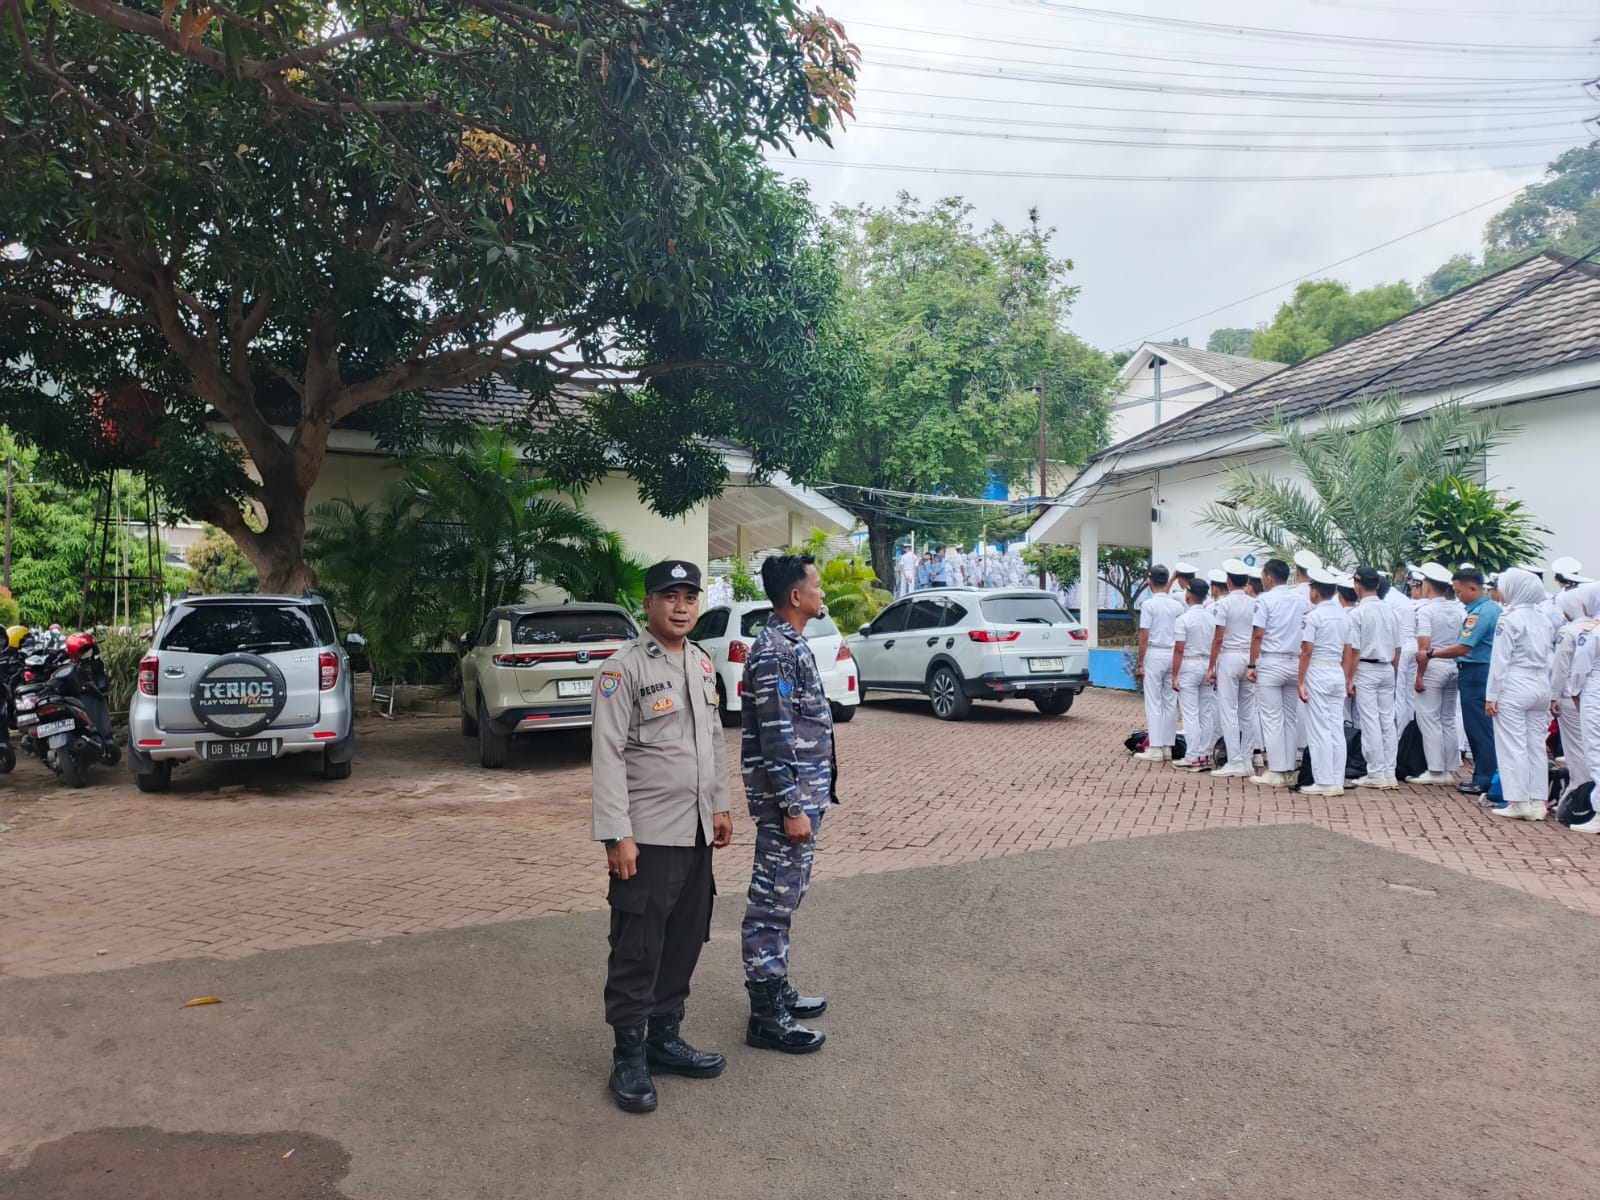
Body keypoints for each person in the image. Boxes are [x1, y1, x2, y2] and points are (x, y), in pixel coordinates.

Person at [591, 560, 734, 1114]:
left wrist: (720, 804)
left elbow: (714, 738)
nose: (681, 607)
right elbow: (607, 755)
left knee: (684, 939)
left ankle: (664, 1039)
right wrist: (616, 834)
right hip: (647, 836)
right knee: (638, 946)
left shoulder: (701, 661)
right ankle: (628, 1055)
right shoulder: (622, 668)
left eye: (689, 597)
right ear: (648, 604)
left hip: (696, 831)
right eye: (669, 596)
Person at [740, 553, 834, 1054]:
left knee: (786, 896)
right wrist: (792, 807)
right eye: (816, 585)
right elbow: (776, 737)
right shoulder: (775, 652)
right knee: (770, 906)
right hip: (788, 804)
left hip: (803, 797)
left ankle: (776, 988)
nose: (822, 593)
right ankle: (765, 1017)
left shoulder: (789, 644)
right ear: (796, 596)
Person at [1423, 567, 1501, 796]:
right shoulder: (1488, 608)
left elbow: (1465, 646)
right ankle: (1487, 775)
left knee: (1478, 728)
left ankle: (1484, 778)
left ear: (1473, 588)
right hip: (1479, 671)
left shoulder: (1481, 612)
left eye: (1459, 591)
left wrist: (1431, 653)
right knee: (1479, 727)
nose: (1457, 596)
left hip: (1476, 672)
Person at [1485, 568, 1554, 821]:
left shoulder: (1508, 618)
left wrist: (1491, 695)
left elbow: (1500, 661)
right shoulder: (1543, 619)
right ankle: (1538, 802)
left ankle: (1519, 801)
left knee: (1512, 745)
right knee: (1535, 746)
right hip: (1540, 683)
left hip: (1515, 681)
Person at [1247, 558, 1310, 788]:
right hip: (1294, 661)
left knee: (1272, 718)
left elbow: (1258, 634)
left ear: (1268, 577)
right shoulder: (1300, 600)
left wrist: (1251, 664)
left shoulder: (1264, 600)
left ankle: (1276, 770)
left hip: (1271, 661)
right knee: (1289, 718)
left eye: (1262, 576)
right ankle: (1288, 770)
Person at [1344, 566, 1401, 790]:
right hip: (1387, 667)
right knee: (1387, 721)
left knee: (1370, 722)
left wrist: (1349, 679)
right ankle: (1389, 772)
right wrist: (1393, 670)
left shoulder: (1357, 614)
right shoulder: (1391, 612)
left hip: (1366, 668)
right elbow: (1397, 648)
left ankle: (1376, 773)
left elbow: (1355, 651)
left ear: (1357, 586)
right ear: (1377, 585)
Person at [1410, 563, 1466, 784]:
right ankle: (1449, 768)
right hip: (1453, 664)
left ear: (1428, 586)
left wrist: (1419, 676)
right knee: (1448, 718)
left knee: (1429, 718)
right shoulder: (1458, 610)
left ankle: (1435, 770)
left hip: (1434, 665)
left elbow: (1424, 647)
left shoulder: (1427, 611)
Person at [1298, 568, 1351, 796]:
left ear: (1315, 591)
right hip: (1336, 671)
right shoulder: (1344, 617)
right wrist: (1346, 679)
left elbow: (1306, 651)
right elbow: (1348, 652)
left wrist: (1300, 681)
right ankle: (1337, 780)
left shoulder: (1313, 617)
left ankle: (1324, 781)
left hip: (1318, 670)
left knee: (1319, 729)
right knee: (1336, 727)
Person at [1207, 559, 1257, 778]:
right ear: (1247, 581)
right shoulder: (1255, 603)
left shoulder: (1224, 604)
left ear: (1228, 581)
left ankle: (1234, 760)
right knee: (1248, 711)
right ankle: (1247, 759)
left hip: (1229, 655)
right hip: (1250, 656)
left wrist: (1211, 666)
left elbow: (1218, 638)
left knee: (1229, 710)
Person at [1134, 566, 1185, 762]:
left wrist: (1140, 663)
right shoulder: (1177, 606)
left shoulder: (1148, 605)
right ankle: (1167, 747)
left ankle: (1155, 747)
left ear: (1149, 582)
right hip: (1172, 653)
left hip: (1155, 653)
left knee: (1154, 702)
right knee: (1170, 703)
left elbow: (1144, 635)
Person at [1561, 583, 1600, 834]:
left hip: (1594, 689)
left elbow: (1581, 667)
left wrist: (1574, 692)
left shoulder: (1592, 630)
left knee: (1595, 750)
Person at [1549, 588, 1591, 808]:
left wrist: (1553, 696)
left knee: (1575, 750)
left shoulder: (1569, 631)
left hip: (1570, 694)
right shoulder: (1594, 627)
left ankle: (1581, 796)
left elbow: (1560, 668)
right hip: (1591, 694)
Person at [1171, 579, 1215, 770]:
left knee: (1190, 714)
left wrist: (1174, 675)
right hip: (1207, 663)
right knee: (1206, 713)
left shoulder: (1183, 619)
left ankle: (1192, 756)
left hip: (1189, 664)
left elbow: (1179, 649)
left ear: (1188, 594)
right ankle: (1204, 755)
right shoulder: (1212, 618)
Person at [1380, 570, 1419, 733]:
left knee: (1398, 693)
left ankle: (1400, 735)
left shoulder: (1386, 599)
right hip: (1413, 644)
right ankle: (1410, 734)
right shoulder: (1400, 597)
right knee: (1409, 694)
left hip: (1401, 645)